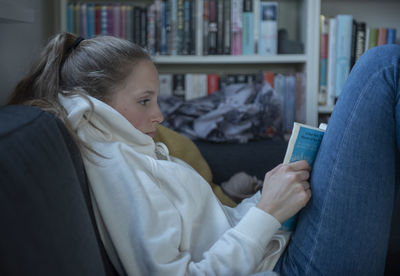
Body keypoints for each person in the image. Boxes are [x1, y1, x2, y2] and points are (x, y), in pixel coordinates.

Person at [7, 32, 399, 275]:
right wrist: (266, 214)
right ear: (96, 101)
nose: (158, 115)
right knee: (381, 69)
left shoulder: (133, 149)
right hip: (287, 267)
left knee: (380, 72)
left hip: (276, 252)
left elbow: (217, 228)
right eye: (144, 100)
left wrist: (268, 198)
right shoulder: (114, 167)